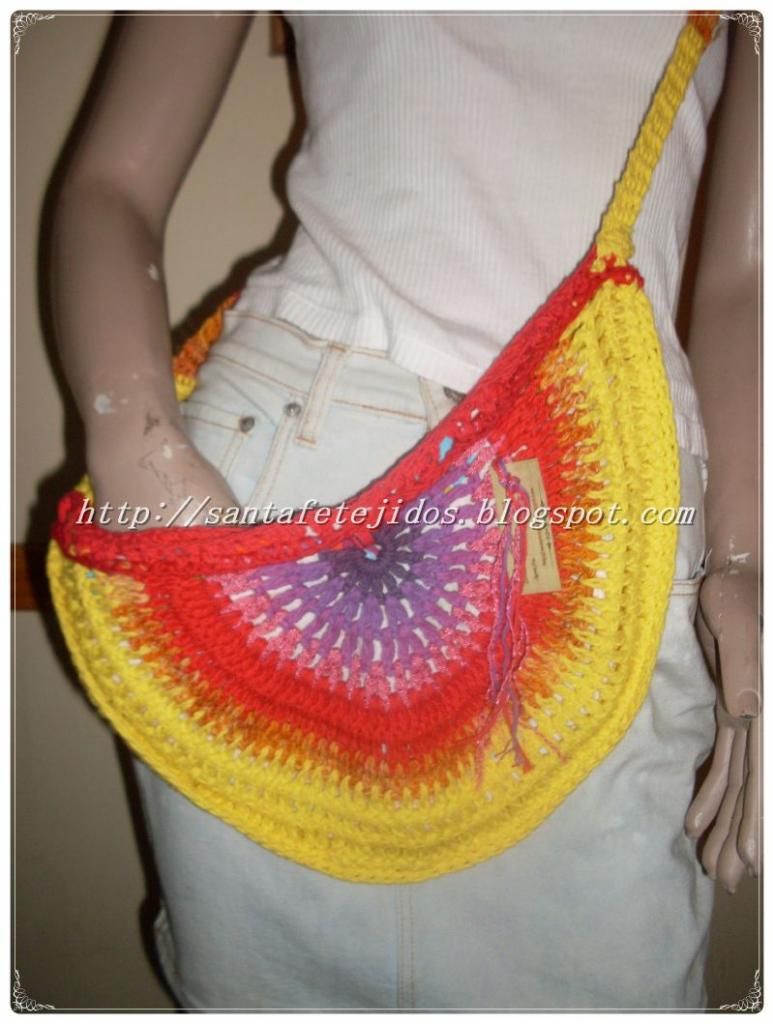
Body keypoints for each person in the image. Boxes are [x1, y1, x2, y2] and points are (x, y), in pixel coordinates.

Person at [48, 12, 760, 1010]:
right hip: (286, 477)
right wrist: (142, 456)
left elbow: (744, 279)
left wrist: (742, 559)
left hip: (604, 508)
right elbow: (110, 185)